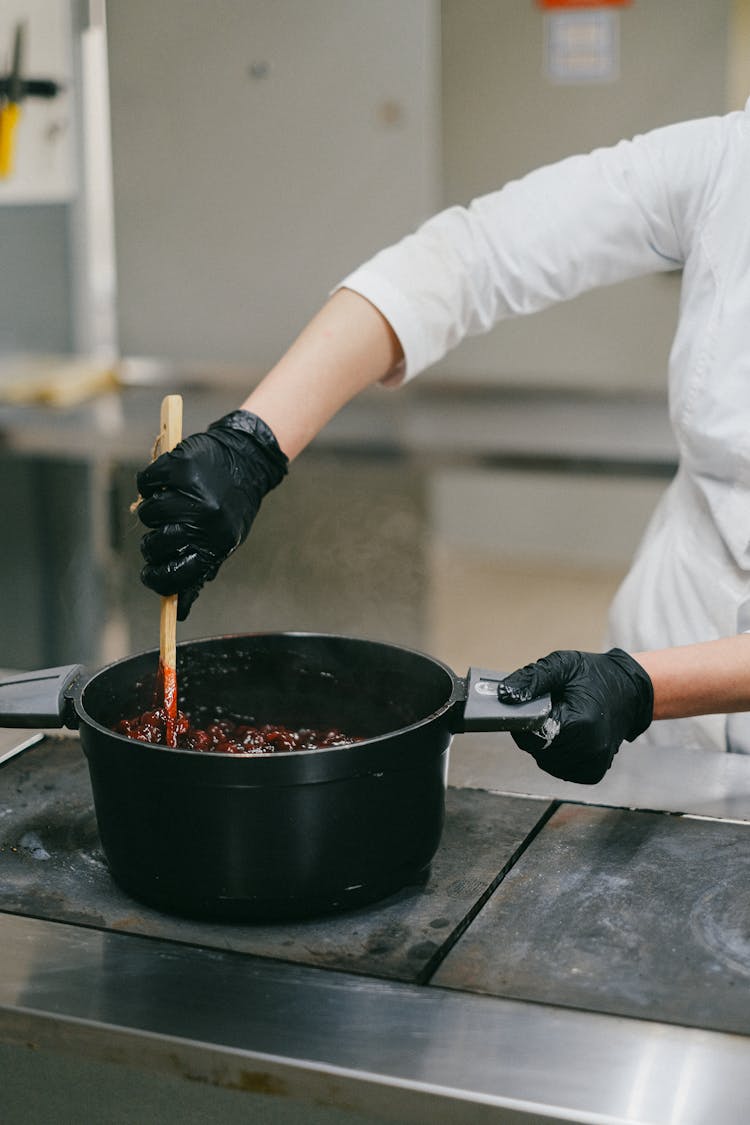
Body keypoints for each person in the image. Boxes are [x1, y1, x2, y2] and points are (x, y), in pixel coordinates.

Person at [136, 103, 750, 784]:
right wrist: (252, 443)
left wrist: (642, 686)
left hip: (663, 686)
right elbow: (474, 254)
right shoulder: (729, 159)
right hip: (672, 633)